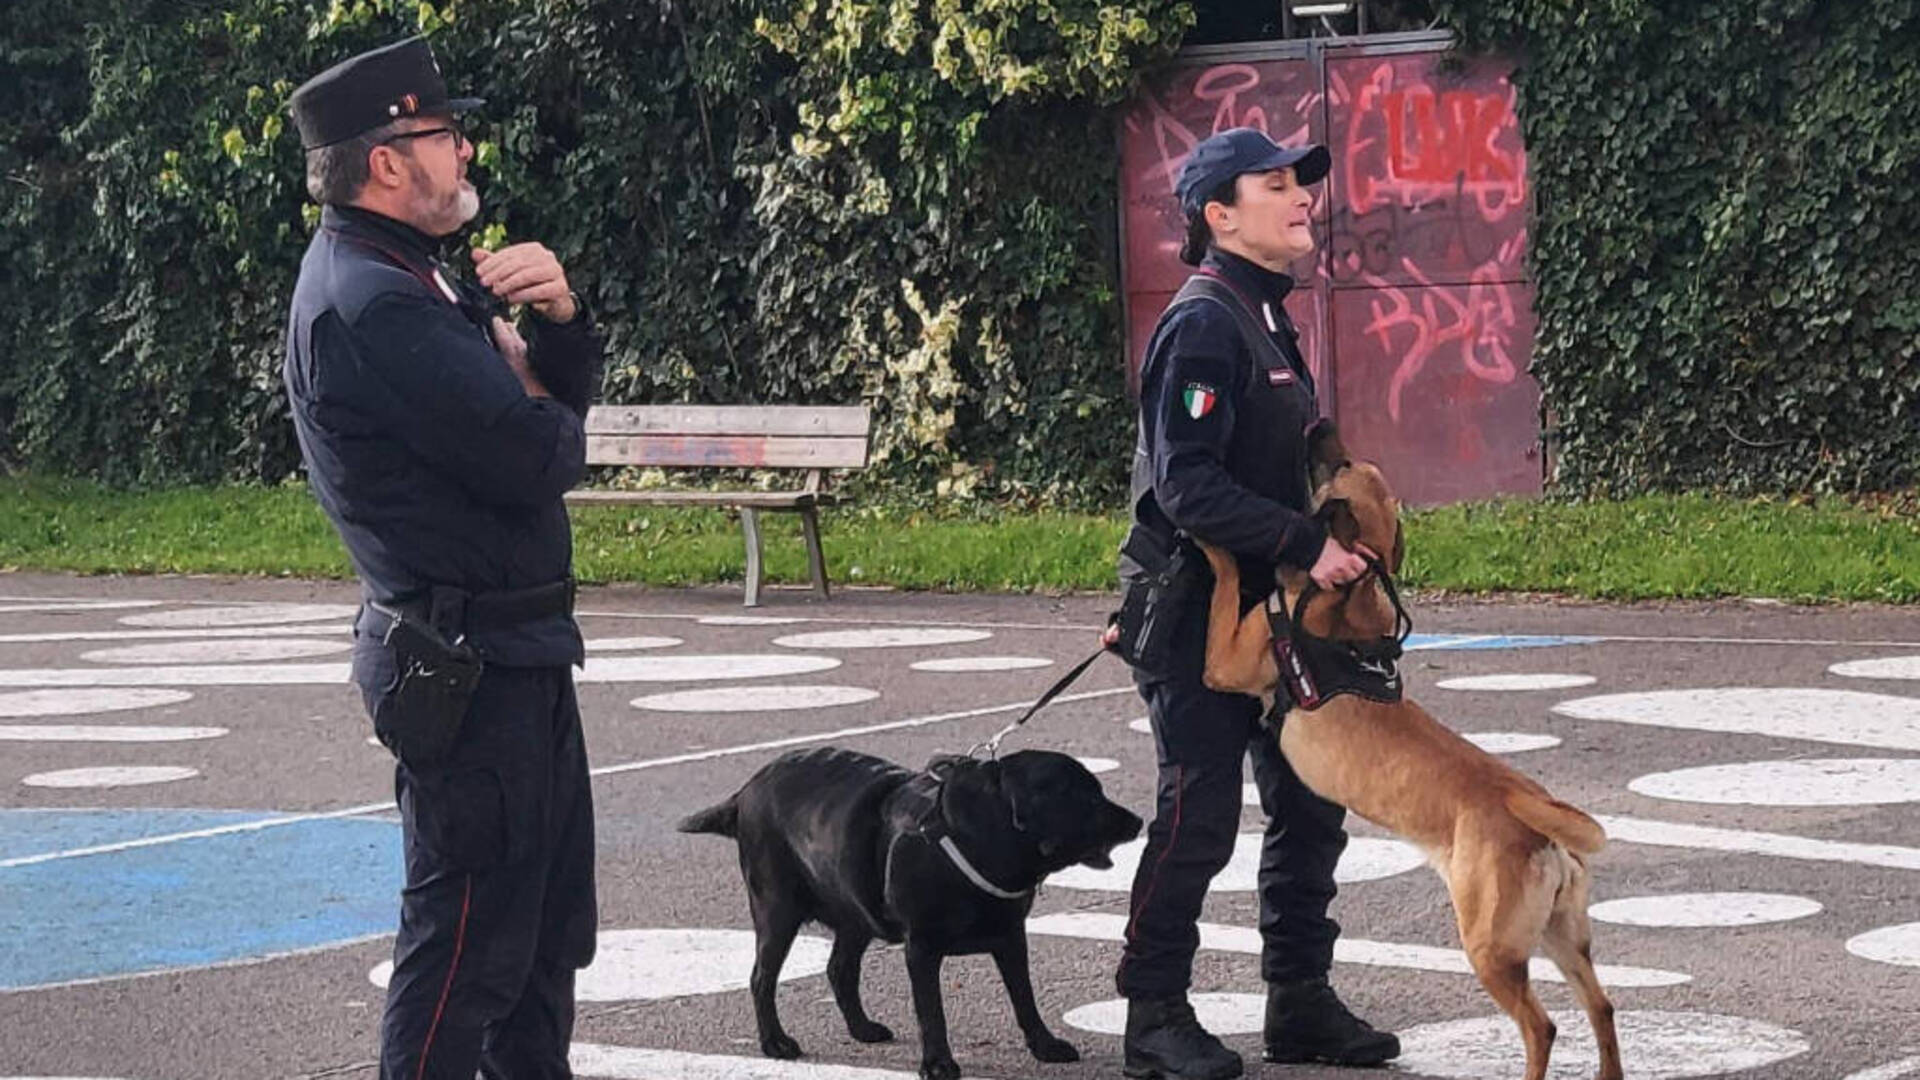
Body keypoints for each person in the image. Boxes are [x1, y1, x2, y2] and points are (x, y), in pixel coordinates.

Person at [283, 36, 604, 1080]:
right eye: (442, 135)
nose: (464, 151)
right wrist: (544, 400)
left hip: (513, 653)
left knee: (543, 944)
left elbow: (533, 417)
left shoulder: (407, 271)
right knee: (467, 954)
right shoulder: (371, 304)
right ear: (387, 161)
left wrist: (555, 323)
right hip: (467, 670)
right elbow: (536, 456)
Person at [1114, 127, 1401, 1079]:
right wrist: (1305, 544)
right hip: (1202, 617)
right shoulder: (1204, 323)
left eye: (1300, 183)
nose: (1300, 197)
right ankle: (1153, 1017)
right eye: (1275, 184)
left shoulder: (1266, 313)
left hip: (1275, 618)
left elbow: (1273, 456)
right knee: (1198, 819)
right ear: (1219, 215)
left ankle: (1300, 1003)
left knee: (1310, 806)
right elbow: (1185, 487)